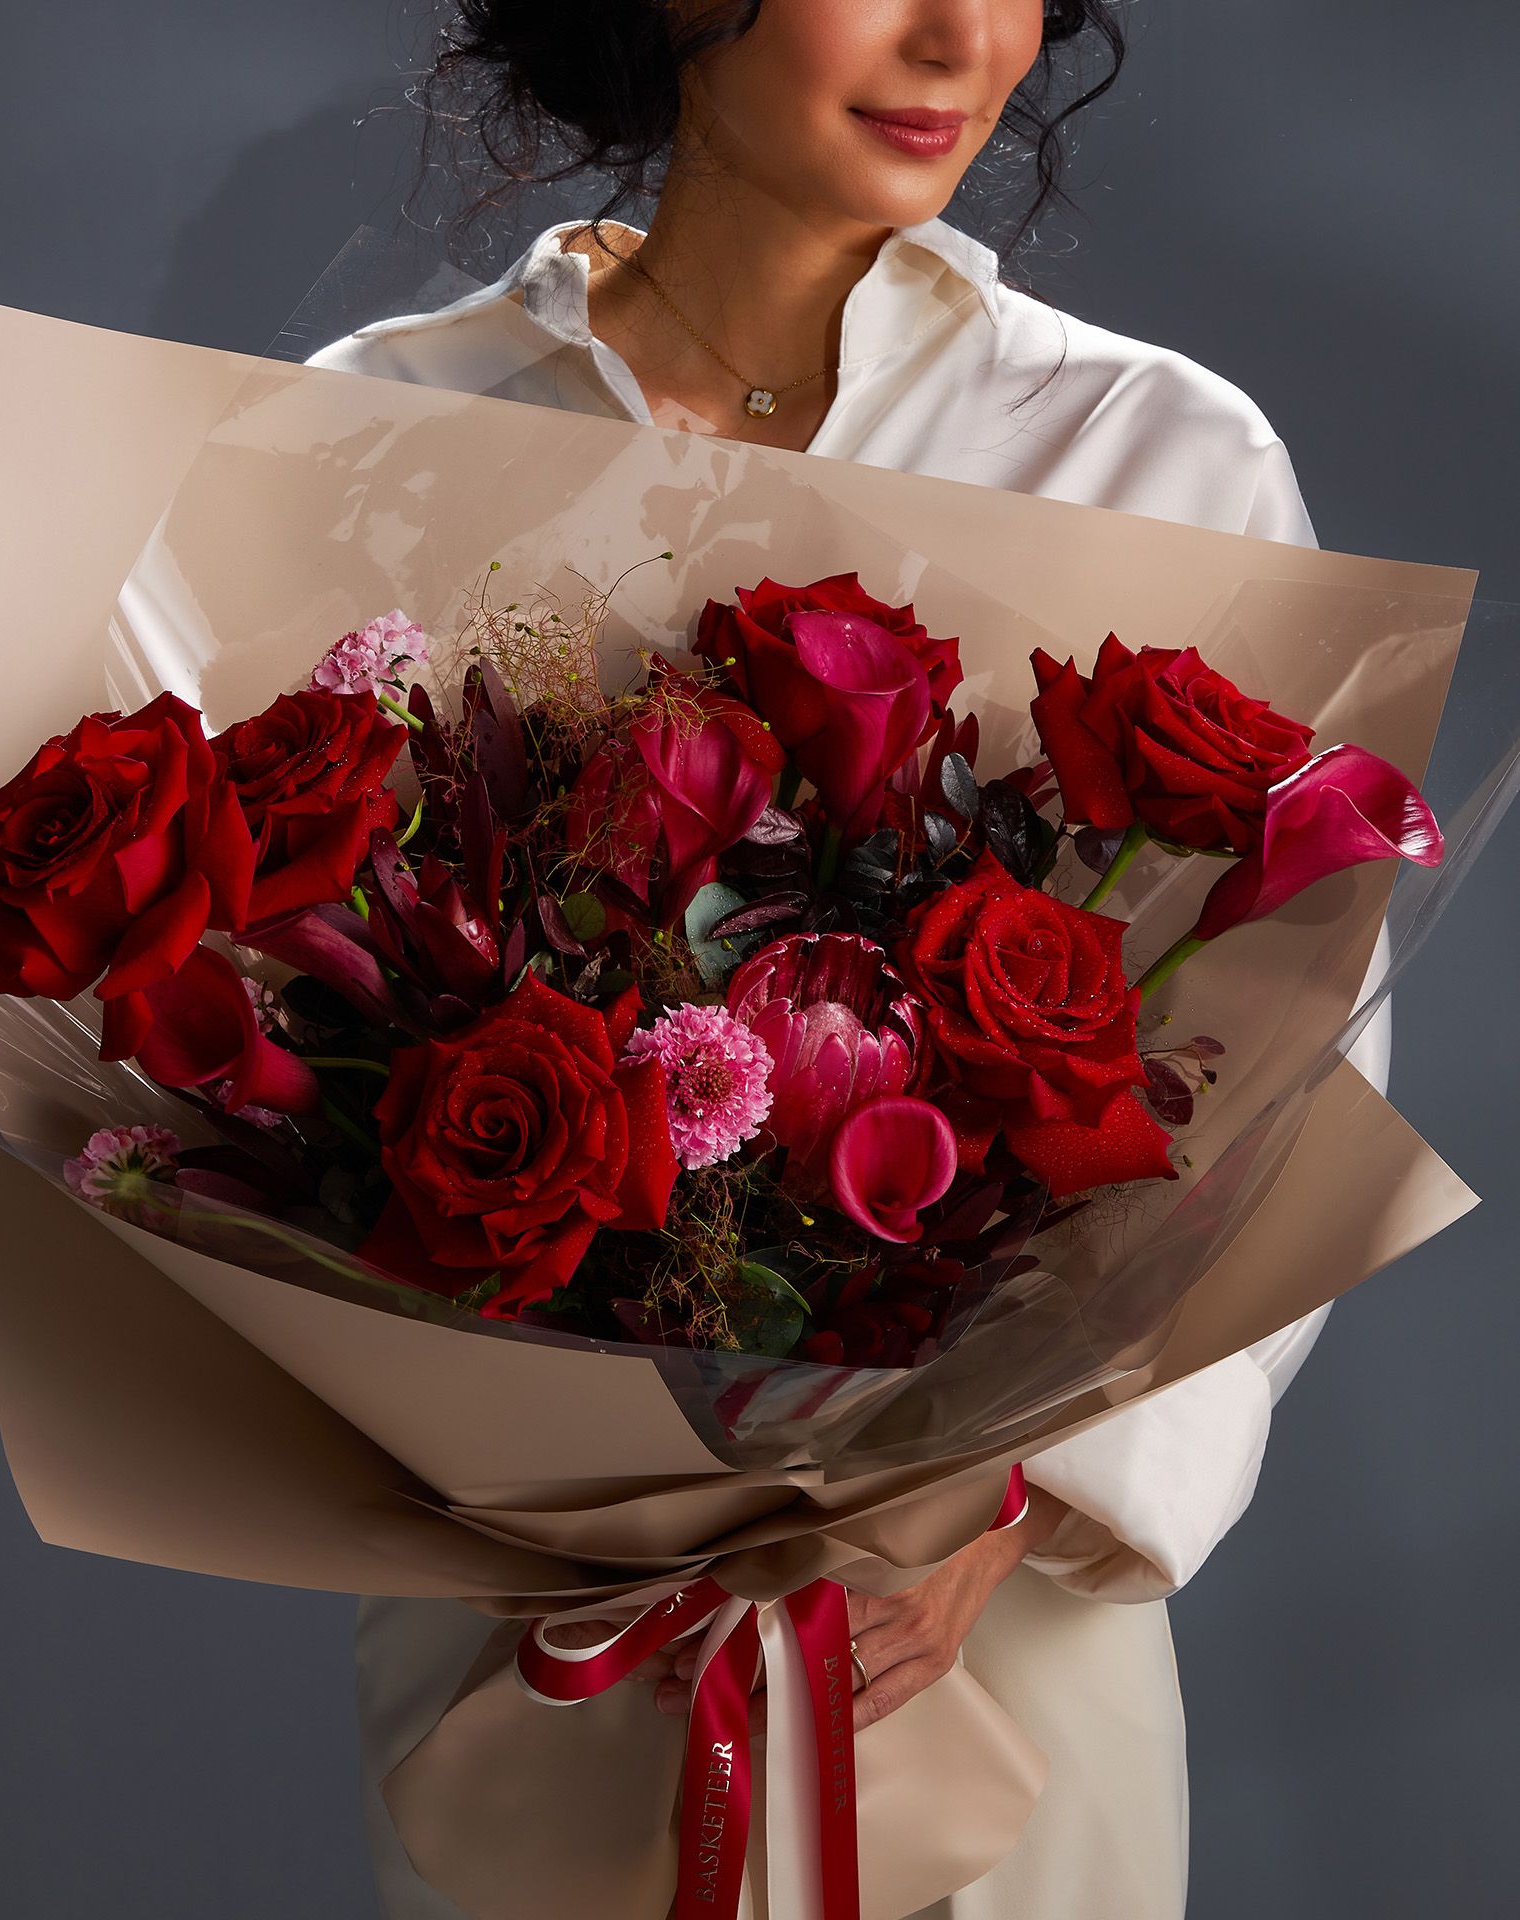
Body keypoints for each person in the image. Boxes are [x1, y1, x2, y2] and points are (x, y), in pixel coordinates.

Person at [303, 4, 1391, 1914]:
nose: (958, 33)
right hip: (546, 1625)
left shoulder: (1146, 445)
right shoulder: (384, 423)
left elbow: (1297, 1073)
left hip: (972, 1625)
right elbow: (261, 1017)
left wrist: (1027, 1497)